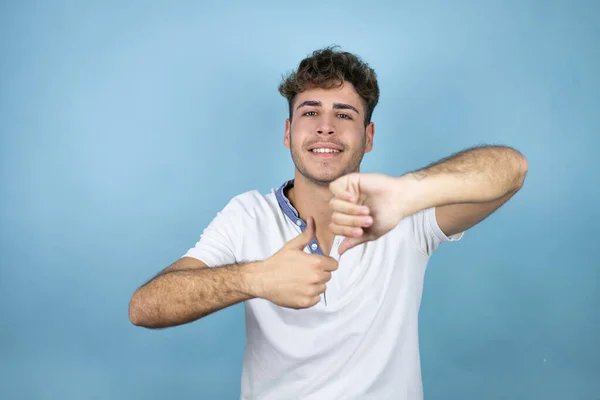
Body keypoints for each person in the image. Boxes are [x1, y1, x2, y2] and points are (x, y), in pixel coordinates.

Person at [128, 46, 528, 399]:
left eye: (344, 114)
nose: (326, 126)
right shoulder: (247, 215)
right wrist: (255, 279)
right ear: (288, 132)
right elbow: (145, 306)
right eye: (310, 112)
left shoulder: (405, 211)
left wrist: (409, 193)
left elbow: (511, 170)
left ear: (368, 137)